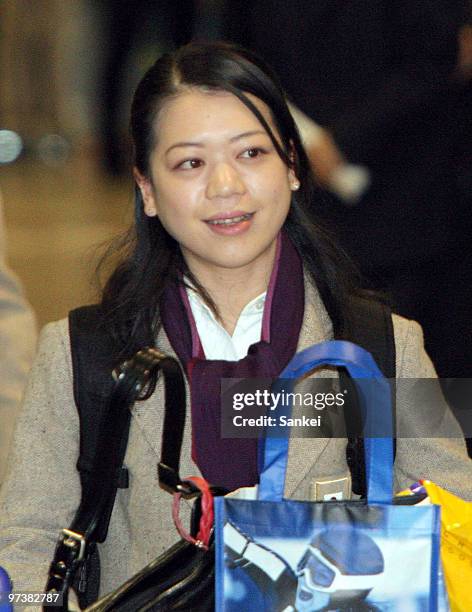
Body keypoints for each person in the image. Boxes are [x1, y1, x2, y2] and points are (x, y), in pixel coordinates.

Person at [0, 41, 470, 603]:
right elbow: (25, 549)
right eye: (190, 163)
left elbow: (456, 526)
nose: (226, 185)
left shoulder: (381, 347)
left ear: (293, 167)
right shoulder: (85, 355)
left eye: (251, 154)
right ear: (147, 189)